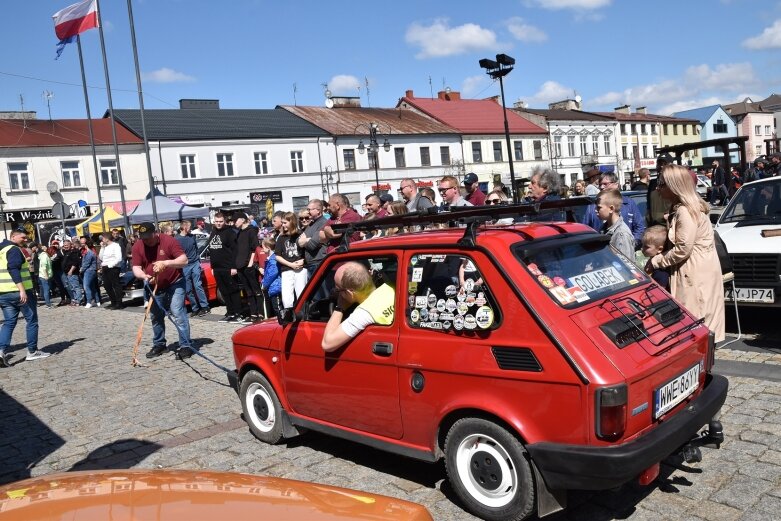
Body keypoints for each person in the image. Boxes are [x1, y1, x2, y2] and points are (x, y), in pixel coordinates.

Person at [649, 164, 725, 342]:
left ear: (674, 185)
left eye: (662, 184)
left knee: (694, 326)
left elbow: (683, 248)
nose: (658, 188)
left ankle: (698, 366)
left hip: (694, 274)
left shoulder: (685, 210)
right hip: (700, 271)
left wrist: (656, 261)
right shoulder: (685, 208)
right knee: (702, 325)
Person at [132, 222, 195, 359]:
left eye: (149, 237)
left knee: (177, 312)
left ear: (155, 233)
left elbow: (184, 260)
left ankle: (185, 345)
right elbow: (136, 267)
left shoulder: (168, 241)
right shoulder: (138, 246)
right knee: (156, 316)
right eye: (144, 238)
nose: (147, 240)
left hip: (175, 282)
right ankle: (159, 344)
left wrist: (166, 263)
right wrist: (143, 276)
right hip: (155, 286)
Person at [0, 228, 49, 367]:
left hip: (4, 293)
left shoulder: (1, 250)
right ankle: (32, 352)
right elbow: (13, 269)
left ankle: (0, 350)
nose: (25, 239)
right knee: (32, 320)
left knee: (9, 322)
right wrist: (22, 290)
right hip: (20, 293)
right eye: (23, 237)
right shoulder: (13, 249)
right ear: (13, 236)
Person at [321, 261, 395, 352]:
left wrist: (340, 307)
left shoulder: (364, 312)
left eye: (338, 290)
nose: (338, 294)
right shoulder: (389, 288)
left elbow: (327, 344)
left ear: (349, 293)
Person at [583, 172, 645, 246]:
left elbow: (639, 226)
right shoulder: (593, 206)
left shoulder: (628, 203)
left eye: (605, 184)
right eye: (600, 184)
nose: (602, 187)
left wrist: (632, 243)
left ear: (616, 184)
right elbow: (586, 230)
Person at [208, 212, 242, 323]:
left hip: (228, 267)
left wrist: (234, 267)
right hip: (217, 268)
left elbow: (235, 250)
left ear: (224, 221)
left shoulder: (229, 232)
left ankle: (238, 312)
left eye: (220, 221)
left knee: (233, 290)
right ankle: (230, 312)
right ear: (214, 221)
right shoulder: (213, 232)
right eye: (216, 222)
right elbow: (212, 250)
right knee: (224, 291)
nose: (218, 224)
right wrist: (212, 267)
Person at [175, 220, 210, 317]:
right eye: (189, 227)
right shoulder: (176, 239)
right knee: (188, 289)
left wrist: (198, 261)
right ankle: (195, 308)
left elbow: (196, 249)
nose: (191, 229)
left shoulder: (192, 237)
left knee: (198, 285)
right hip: (185, 266)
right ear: (184, 227)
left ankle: (205, 306)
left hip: (194, 263)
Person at [234, 211, 263, 323]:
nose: (234, 223)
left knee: (256, 290)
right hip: (240, 265)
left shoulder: (251, 231)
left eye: (236, 220)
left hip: (248, 265)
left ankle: (260, 313)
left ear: (242, 219)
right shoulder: (239, 233)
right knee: (248, 292)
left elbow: (254, 248)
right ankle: (253, 313)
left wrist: (251, 263)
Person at [275, 212, 307, 309]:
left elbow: (307, 252)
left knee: (302, 294)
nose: (283, 225)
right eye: (282, 223)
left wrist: (303, 261)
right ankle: (288, 316)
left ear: (291, 222)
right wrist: (290, 264)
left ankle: (303, 315)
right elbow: (277, 256)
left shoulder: (300, 234)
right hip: (287, 269)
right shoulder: (281, 238)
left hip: (301, 268)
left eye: (285, 223)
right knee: (287, 297)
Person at [596, 189, 635, 260]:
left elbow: (625, 265)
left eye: (599, 207)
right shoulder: (605, 227)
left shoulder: (621, 234)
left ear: (611, 209)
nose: (595, 210)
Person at [297, 199, 327, 279]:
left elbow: (312, 245)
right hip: (311, 263)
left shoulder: (323, 223)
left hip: (318, 263)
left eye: (309, 209)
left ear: (318, 211)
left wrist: (306, 240)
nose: (308, 212)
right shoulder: (312, 224)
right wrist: (307, 240)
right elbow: (298, 242)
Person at [99, 232, 125, 310]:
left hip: (113, 268)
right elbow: (101, 257)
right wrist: (102, 248)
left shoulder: (115, 246)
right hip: (105, 267)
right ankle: (113, 302)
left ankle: (119, 303)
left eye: (103, 238)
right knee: (107, 285)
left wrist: (110, 265)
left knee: (115, 285)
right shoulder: (105, 247)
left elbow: (119, 258)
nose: (102, 240)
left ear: (107, 239)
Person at [641, 225, 670, 290]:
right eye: (642, 244)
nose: (642, 248)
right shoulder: (651, 261)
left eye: (646, 247)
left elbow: (659, 292)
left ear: (659, 249)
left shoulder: (661, 272)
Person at [260, 237, 282, 318]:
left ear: (268, 248)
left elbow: (272, 273)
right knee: (275, 307)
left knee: (278, 308)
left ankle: (281, 322)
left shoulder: (273, 260)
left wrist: (264, 283)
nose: (262, 249)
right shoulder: (271, 259)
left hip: (275, 287)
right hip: (273, 287)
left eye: (263, 247)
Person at [80, 237, 100, 308]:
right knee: (92, 287)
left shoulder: (89, 253)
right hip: (91, 271)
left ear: (86, 244)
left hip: (89, 271)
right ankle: (98, 301)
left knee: (86, 287)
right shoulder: (87, 252)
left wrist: (81, 270)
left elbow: (86, 264)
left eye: (83, 243)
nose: (81, 244)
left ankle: (89, 302)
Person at [61, 240, 83, 306]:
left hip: (72, 273)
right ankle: (75, 299)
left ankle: (78, 300)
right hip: (67, 273)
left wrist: (71, 271)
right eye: (64, 245)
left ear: (70, 245)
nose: (65, 246)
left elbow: (75, 263)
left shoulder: (73, 252)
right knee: (72, 287)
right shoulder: (66, 252)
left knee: (76, 287)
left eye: (67, 245)